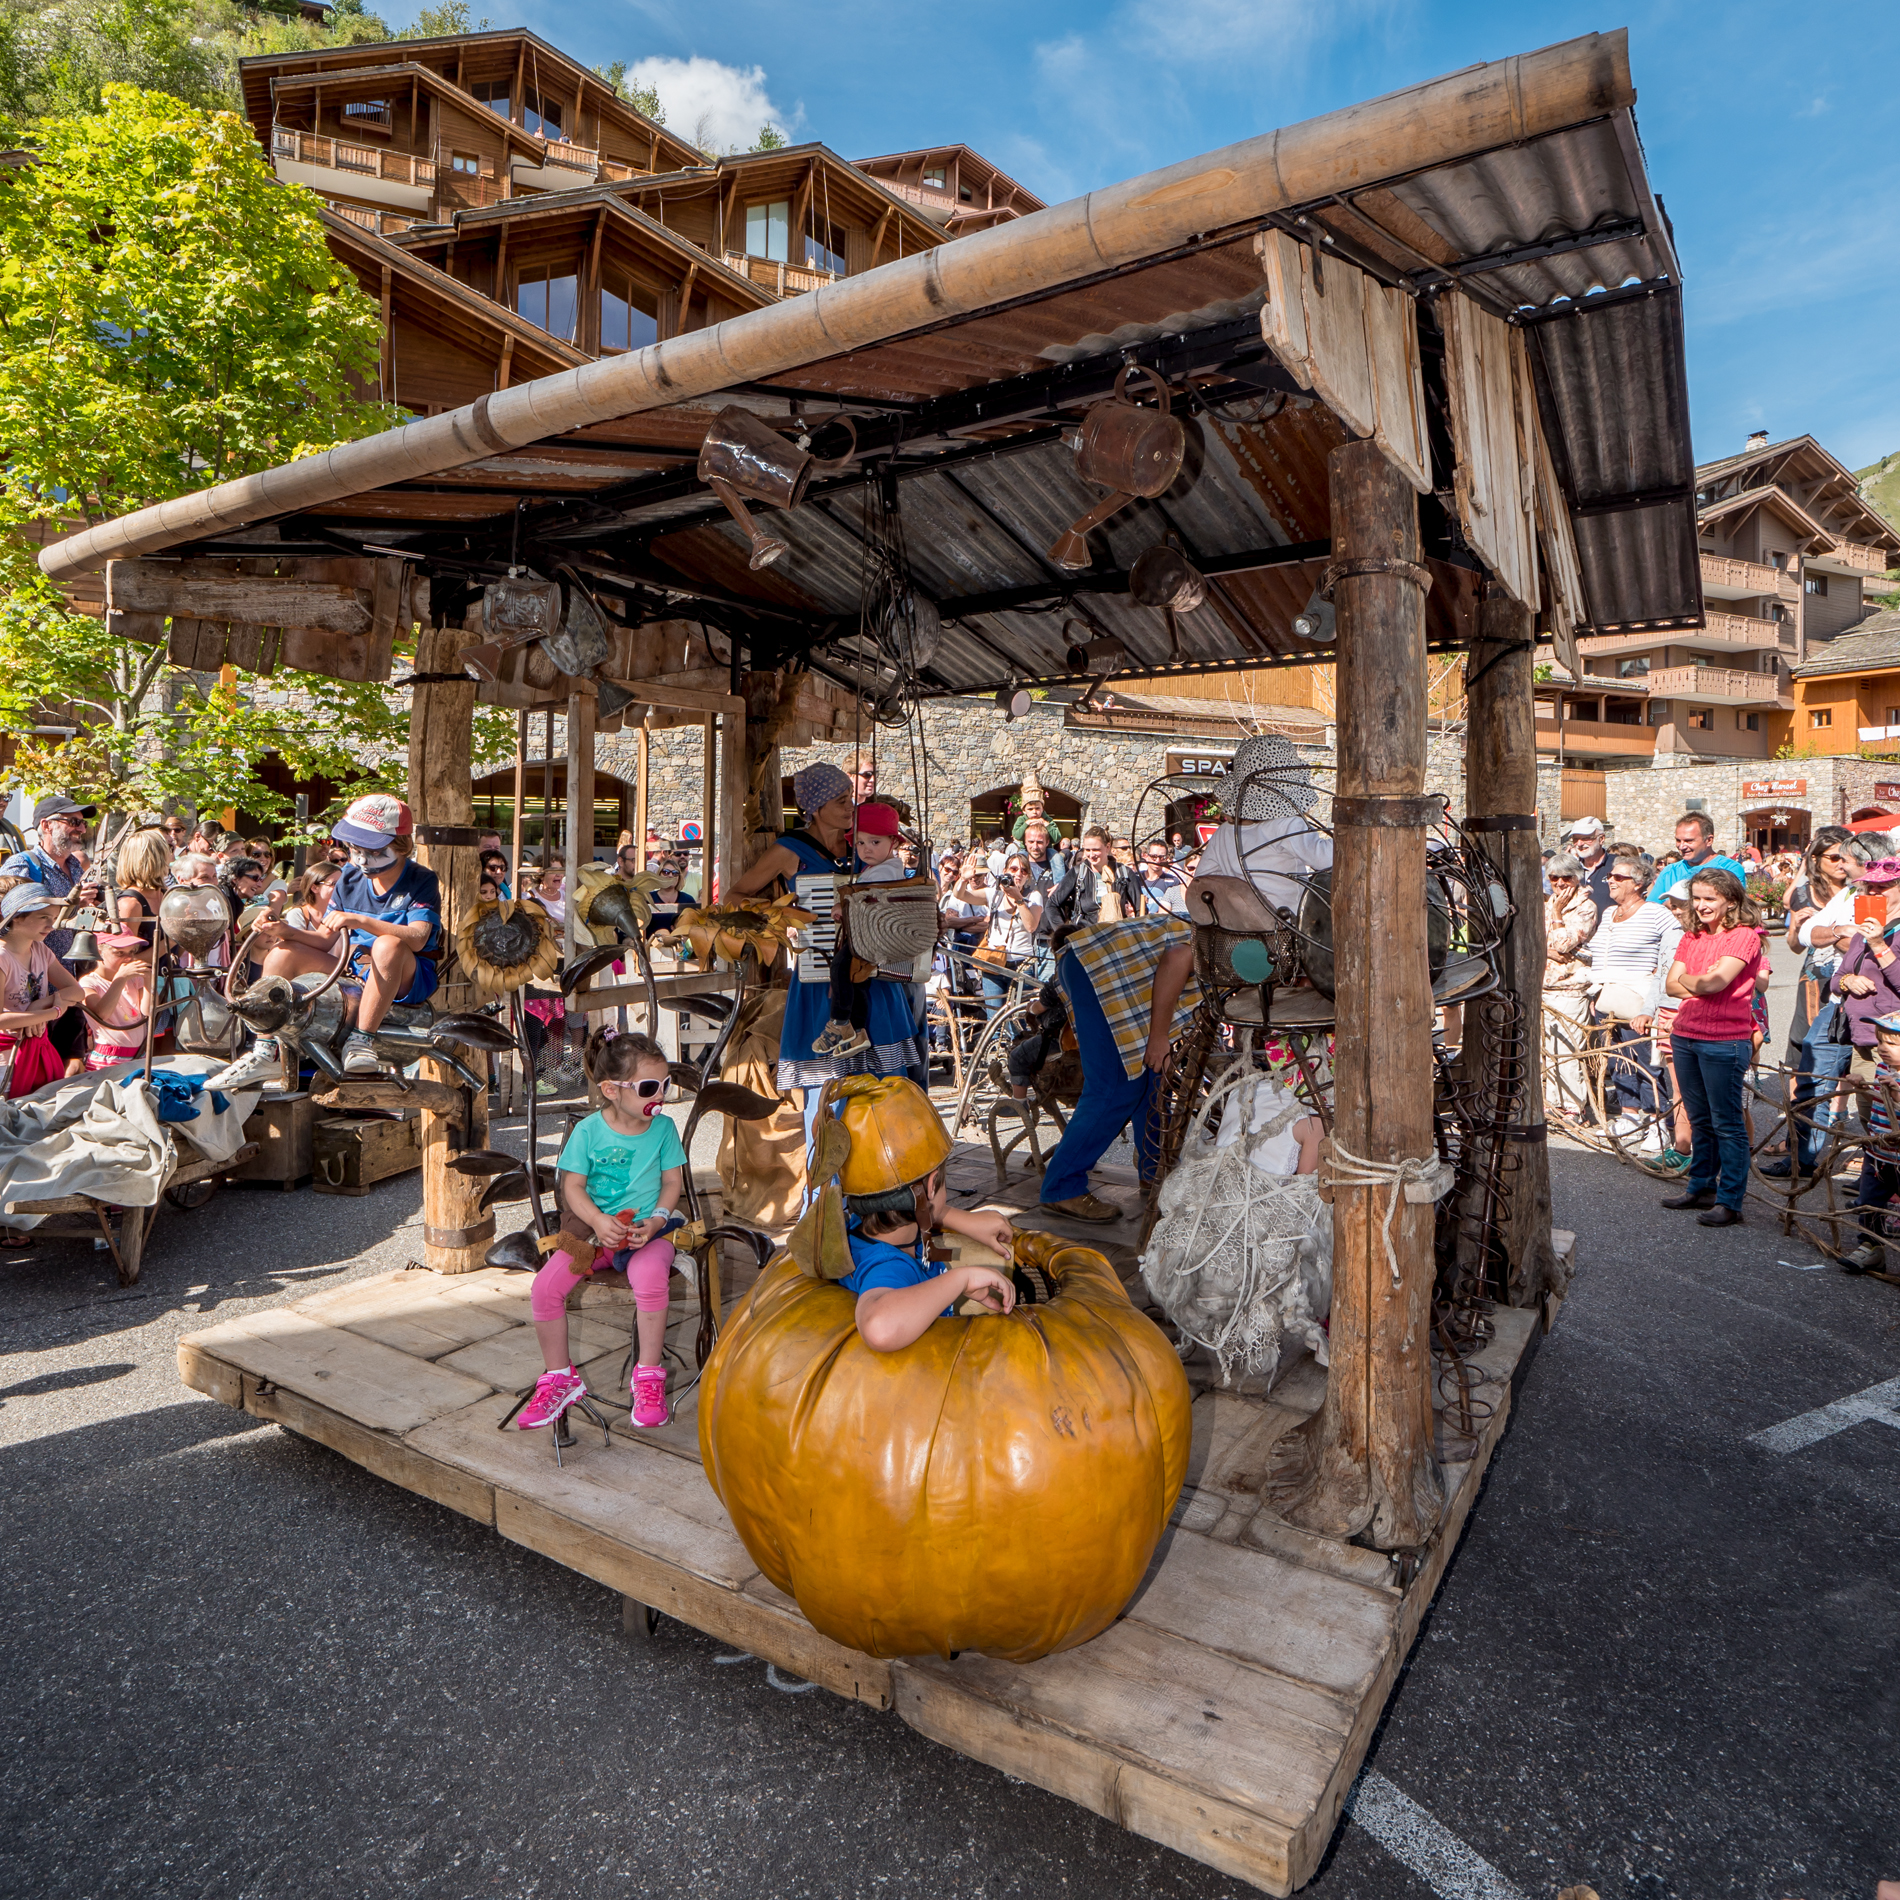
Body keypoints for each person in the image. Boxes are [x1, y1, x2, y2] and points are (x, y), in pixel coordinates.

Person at [731, 762, 922, 1140]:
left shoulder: (865, 843)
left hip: (875, 978)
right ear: (815, 807)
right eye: (840, 800)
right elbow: (734, 896)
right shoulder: (791, 849)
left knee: (885, 1086)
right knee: (827, 1091)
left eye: (850, 798)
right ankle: (824, 1189)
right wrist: (784, 912)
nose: (850, 806)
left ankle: (882, 1179)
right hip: (820, 979)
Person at [517, 1031, 689, 1433]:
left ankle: (648, 1376)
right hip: (590, 1236)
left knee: (650, 1279)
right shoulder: (588, 1132)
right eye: (650, 1087)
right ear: (612, 1089)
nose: (660, 1095)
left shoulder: (663, 1130)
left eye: (665, 1085)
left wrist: (659, 1220)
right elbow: (572, 1188)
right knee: (545, 1288)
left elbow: (671, 1183)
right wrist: (596, 1221)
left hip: (648, 1234)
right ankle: (560, 1377)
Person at [247, 795, 442, 1078]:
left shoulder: (421, 879)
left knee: (388, 945)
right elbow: (325, 940)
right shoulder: (348, 877)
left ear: (400, 846)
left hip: (406, 975)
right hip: (354, 969)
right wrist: (284, 931)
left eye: (371, 849)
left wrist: (361, 920)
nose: (360, 857)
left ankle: (363, 1039)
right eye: (353, 847)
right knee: (282, 952)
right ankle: (265, 1049)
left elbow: (417, 938)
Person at [826, 1076, 1017, 1352]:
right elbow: (879, 1327)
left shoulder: (864, 1226)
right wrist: (959, 1280)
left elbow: (907, 1208)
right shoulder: (889, 1267)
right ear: (932, 1184)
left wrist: (956, 1217)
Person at [1036, 910, 1200, 1223]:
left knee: (1151, 1077)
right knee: (1113, 1087)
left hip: (1109, 968)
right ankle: (1062, 1187)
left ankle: (1155, 1172)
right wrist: (1159, 1036)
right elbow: (1180, 957)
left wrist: (1160, 1041)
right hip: (1097, 967)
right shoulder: (1251, 948)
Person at [1660, 868, 1765, 1227]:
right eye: (1698, 898)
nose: (1701, 906)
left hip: (1724, 1039)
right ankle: (1701, 1186)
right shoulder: (1692, 936)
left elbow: (1716, 982)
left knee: (1727, 1122)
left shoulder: (1744, 937)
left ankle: (1730, 1199)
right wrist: (1699, 983)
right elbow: (1672, 985)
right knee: (1701, 1118)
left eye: (1710, 898)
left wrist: (1695, 982)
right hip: (1686, 1033)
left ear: (1730, 901)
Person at [1765, 831, 1866, 1179]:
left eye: (1847, 859)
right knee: (1810, 1071)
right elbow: (1806, 935)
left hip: (1871, 999)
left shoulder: (1879, 894)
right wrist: (1841, 931)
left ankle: (1875, 1167)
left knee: (1867, 1082)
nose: (1842, 865)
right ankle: (1802, 1158)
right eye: (1834, 858)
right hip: (1831, 993)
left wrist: (1838, 932)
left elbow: (1869, 942)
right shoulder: (1848, 893)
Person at [1577, 857, 1680, 1145]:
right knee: (1618, 1060)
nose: (1610, 880)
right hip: (1608, 997)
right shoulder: (1609, 914)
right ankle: (1629, 1116)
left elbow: (1672, 955)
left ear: (1639, 883)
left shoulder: (1657, 915)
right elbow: (1595, 952)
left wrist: (1655, 998)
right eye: (1610, 876)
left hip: (1640, 998)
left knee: (1647, 1062)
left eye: (1619, 877)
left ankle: (1658, 1123)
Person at [1180, 733, 1332, 916]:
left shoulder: (1226, 831)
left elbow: (1203, 878)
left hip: (1239, 927)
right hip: (1285, 927)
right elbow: (1324, 859)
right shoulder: (1286, 824)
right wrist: (1343, 835)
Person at [0, 794, 99, 1072]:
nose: (81, 829)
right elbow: (10, 912)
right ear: (46, 825)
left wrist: (88, 908)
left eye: (82, 823)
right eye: (73, 822)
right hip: (24, 989)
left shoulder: (76, 866)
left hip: (63, 977)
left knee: (66, 1068)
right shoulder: (24, 864)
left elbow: (67, 918)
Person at [816, 799, 911, 1058]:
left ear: (894, 842)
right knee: (857, 981)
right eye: (860, 842)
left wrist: (842, 908)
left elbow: (869, 902)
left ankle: (840, 1022)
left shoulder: (885, 872)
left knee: (839, 967)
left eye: (875, 842)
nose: (866, 849)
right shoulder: (879, 868)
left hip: (870, 936)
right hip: (870, 935)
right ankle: (859, 1032)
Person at [0, 884, 85, 1097]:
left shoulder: (40, 949)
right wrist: (51, 1013)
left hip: (37, 1048)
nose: (52, 925)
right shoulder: (2, 958)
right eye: (43, 917)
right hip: (7, 1060)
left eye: (54, 917)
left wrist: (40, 1005)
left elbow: (76, 991)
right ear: (16, 917)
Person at [1541, 851, 1599, 1121]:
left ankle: (1574, 1106)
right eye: (1554, 878)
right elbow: (1537, 942)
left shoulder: (1585, 907)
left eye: (1566, 877)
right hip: (1545, 985)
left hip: (1570, 986)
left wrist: (1554, 916)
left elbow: (1563, 944)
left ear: (1576, 878)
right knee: (1548, 1050)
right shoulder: (1547, 903)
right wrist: (1547, 947)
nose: (1560, 883)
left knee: (1567, 1050)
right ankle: (1552, 1102)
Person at [1844, 1011, 1900, 1274]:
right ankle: (1870, 1248)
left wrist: (1897, 1093)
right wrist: (1862, 1087)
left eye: (1892, 1043)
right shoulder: (1883, 1068)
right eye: (1880, 1042)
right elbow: (1879, 1100)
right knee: (1869, 1202)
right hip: (1877, 1153)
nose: (1883, 1049)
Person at [968, 850, 1044, 1016]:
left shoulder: (1034, 896)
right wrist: (963, 878)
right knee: (994, 1016)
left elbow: (1031, 926)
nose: (1018, 874)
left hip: (1022, 964)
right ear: (1005, 872)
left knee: (1019, 1018)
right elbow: (962, 895)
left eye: (1024, 871)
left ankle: (1017, 1043)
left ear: (1028, 876)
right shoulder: (993, 894)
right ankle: (996, 1043)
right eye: (1014, 869)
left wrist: (1018, 899)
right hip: (993, 962)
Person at [78, 932, 151, 1069]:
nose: (128, 958)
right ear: (99, 951)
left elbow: (148, 1011)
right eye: (119, 953)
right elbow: (102, 1014)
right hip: (108, 1058)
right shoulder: (89, 982)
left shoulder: (134, 979)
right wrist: (121, 978)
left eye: (132, 952)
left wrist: (148, 980)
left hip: (139, 1054)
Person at [1049, 826, 1142, 928]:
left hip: (1117, 936)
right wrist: (1063, 933)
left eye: (1096, 850)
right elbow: (1052, 904)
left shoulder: (1124, 873)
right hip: (1086, 935)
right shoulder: (1078, 872)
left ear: (1107, 847)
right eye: (1087, 850)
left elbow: (1140, 908)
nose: (1091, 855)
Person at [1648, 813, 1748, 903]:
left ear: (1709, 840)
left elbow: (1733, 907)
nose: (1681, 846)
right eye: (1678, 840)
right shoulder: (1669, 872)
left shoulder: (1729, 869)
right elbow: (1651, 908)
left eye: (1689, 841)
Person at [111, 825, 173, 947]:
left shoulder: (167, 896)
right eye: (169, 849)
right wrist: (172, 942)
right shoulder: (130, 904)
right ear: (154, 859)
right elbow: (126, 959)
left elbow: (175, 955)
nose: (172, 856)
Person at [1564, 815, 1615, 917]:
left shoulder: (1617, 865)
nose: (1579, 844)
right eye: (1575, 839)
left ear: (1601, 839)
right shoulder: (1570, 869)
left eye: (1586, 838)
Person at [1136, 839, 1189, 918]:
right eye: (1154, 857)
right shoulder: (1136, 879)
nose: (1158, 861)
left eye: (1162, 857)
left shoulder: (1173, 882)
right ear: (1146, 856)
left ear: (1167, 858)